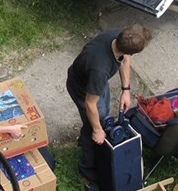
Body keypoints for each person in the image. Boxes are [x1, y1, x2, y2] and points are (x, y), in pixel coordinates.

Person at [66, 24, 153, 183]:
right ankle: (86, 169)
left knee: (102, 114)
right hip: (82, 88)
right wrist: (97, 130)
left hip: (95, 81)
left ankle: (93, 133)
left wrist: (125, 90)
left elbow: (125, 59)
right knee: (93, 126)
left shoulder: (121, 36)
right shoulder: (100, 69)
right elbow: (90, 104)